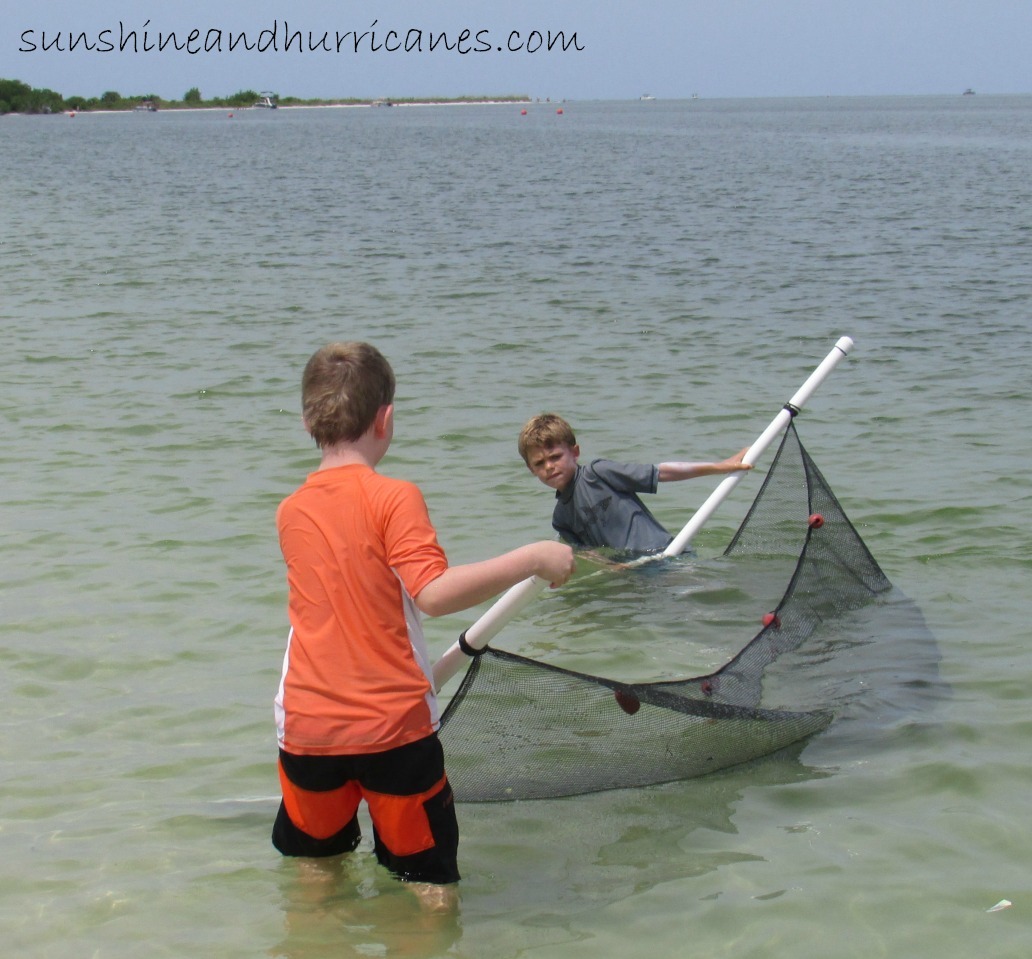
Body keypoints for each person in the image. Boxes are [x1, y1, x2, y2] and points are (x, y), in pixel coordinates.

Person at [273, 343, 575, 889]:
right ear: (385, 419)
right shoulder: (394, 497)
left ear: (306, 422)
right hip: (392, 732)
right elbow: (432, 594)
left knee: (316, 877)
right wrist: (533, 557)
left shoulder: (291, 509)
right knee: (427, 886)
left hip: (306, 729)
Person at [517, 412, 753, 554]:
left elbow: (662, 473)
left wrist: (721, 466)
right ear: (531, 469)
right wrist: (614, 569)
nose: (549, 466)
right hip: (633, 573)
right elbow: (588, 554)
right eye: (539, 463)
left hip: (668, 553)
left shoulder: (598, 473)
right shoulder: (561, 518)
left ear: (575, 452)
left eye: (555, 457)